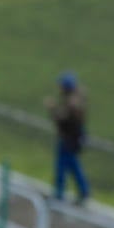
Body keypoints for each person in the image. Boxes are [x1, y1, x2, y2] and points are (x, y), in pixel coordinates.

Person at [48, 72, 89, 204]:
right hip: (72, 138)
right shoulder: (75, 99)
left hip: (69, 139)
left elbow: (61, 118)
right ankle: (83, 191)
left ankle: (60, 193)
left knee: (63, 166)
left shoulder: (72, 103)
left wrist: (52, 108)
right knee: (72, 165)